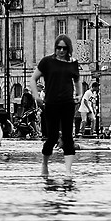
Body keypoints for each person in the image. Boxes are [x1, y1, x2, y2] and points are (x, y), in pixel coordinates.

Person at [38, 35, 81, 180]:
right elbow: (33, 78)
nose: (61, 50)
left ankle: (68, 171)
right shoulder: (47, 62)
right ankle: (44, 164)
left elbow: (77, 79)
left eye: (64, 48)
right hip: (51, 103)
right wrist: (36, 96)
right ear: (55, 47)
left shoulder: (73, 63)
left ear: (68, 49)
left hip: (68, 103)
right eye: (59, 47)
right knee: (52, 137)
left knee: (68, 137)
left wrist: (79, 94)